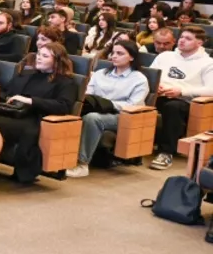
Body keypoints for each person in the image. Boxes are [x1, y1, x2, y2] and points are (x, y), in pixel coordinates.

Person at [0, 42, 79, 183]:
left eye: (45, 56)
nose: (38, 58)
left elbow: (63, 106)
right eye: (38, 54)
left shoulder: (66, 82)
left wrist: (30, 101)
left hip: (36, 118)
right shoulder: (28, 74)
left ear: (57, 61)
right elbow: (6, 92)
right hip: (13, 112)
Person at [67, 40, 149, 178]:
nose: (114, 56)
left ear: (132, 57)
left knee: (92, 118)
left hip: (123, 116)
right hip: (97, 109)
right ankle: (63, 158)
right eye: (113, 52)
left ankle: (82, 164)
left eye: (120, 53)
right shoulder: (101, 73)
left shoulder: (139, 79)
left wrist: (108, 104)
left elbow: (133, 105)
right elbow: (88, 94)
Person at [148, 26, 213, 170]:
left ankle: (166, 152)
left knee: (173, 107)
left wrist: (182, 91)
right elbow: (150, 75)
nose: (182, 41)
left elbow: (211, 89)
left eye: (188, 39)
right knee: (140, 99)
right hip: (160, 95)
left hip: (186, 102)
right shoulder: (166, 56)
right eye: (182, 37)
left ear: (200, 43)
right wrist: (156, 85)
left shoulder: (208, 63)